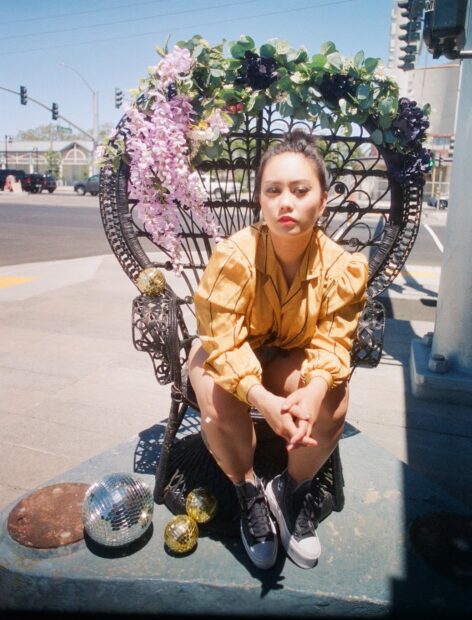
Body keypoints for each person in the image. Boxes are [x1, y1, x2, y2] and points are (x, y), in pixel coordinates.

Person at [188, 130, 369, 570]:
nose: (286, 202)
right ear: (261, 201)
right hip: (224, 353)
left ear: (323, 201)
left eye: (300, 190)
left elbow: (333, 340)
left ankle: (290, 488)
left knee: (333, 402)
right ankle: (247, 487)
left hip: (291, 354)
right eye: (273, 191)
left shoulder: (342, 267)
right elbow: (223, 340)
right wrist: (261, 399)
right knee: (216, 405)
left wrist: (314, 389)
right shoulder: (233, 255)